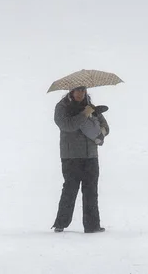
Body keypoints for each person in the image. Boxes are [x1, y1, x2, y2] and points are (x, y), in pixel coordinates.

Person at [52, 86, 107, 233]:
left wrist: (100, 134)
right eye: (77, 90)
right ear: (71, 91)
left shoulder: (90, 107)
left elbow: (105, 126)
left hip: (91, 156)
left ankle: (92, 225)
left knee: (91, 191)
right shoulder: (62, 107)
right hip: (71, 156)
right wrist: (84, 114)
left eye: (83, 91)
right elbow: (67, 126)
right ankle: (61, 223)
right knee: (70, 189)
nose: (80, 94)